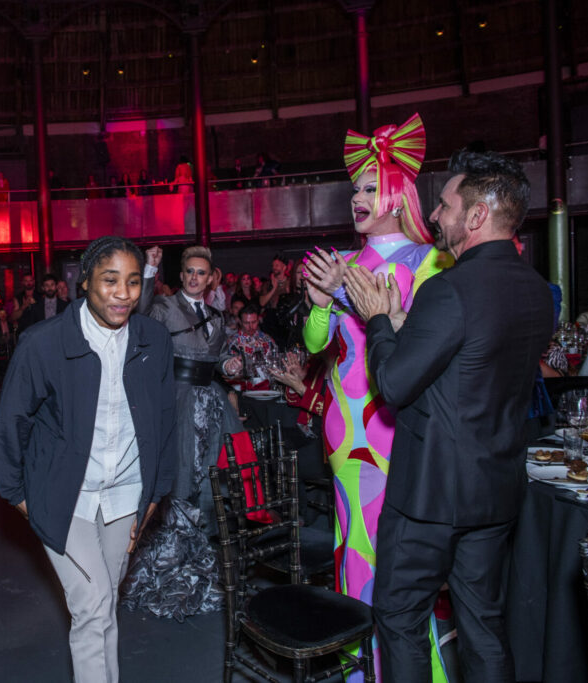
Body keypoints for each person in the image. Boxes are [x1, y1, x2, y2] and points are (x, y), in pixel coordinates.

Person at [344, 149, 552, 683]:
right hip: (497, 490)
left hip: (429, 496)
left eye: (444, 204)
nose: (434, 215)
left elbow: (392, 385)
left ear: (477, 216)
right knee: (483, 624)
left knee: (399, 618)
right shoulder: (537, 290)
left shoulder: (449, 289)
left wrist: (381, 322)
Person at [301, 112, 452, 682]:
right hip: (346, 433)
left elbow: (436, 342)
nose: (357, 199)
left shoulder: (432, 261)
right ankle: (361, 669)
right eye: (354, 191)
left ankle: (415, 671)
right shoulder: (345, 264)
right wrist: (320, 300)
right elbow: (318, 344)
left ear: (396, 196)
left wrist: (385, 307)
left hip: (396, 429)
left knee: (401, 565)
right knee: (351, 554)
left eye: (369, 189)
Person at [0, 236, 176, 683]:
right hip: (63, 495)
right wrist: (20, 498)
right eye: (110, 280)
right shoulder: (44, 343)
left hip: (126, 495)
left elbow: (166, 419)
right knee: (92, 607)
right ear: (85, 281)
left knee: (104, 603)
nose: (123, 293)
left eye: (133, 282)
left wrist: (156, 492)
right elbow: (10, 424)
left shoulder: (153, 339)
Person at [121, 244, 244, 621]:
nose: (194, 277)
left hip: (212, 403)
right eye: (189, 271)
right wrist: (148, 272)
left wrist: (232, 363)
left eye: (200, 273)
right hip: (177, 401)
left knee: (212, 475)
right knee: (179, 479)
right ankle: (169, 560)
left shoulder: (218, 316)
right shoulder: (163, 307)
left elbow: (218, 354)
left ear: (211, 279)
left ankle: (201, 551)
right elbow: (137, 315)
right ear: (181, 275)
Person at [227, 304, 279, 373]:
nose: (251, 326)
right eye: (246, 323)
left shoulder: (267, 339)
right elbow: (230, 369)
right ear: (240, 322)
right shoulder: (234, 341)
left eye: (254, 322)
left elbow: (276, 360)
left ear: (258, 320)